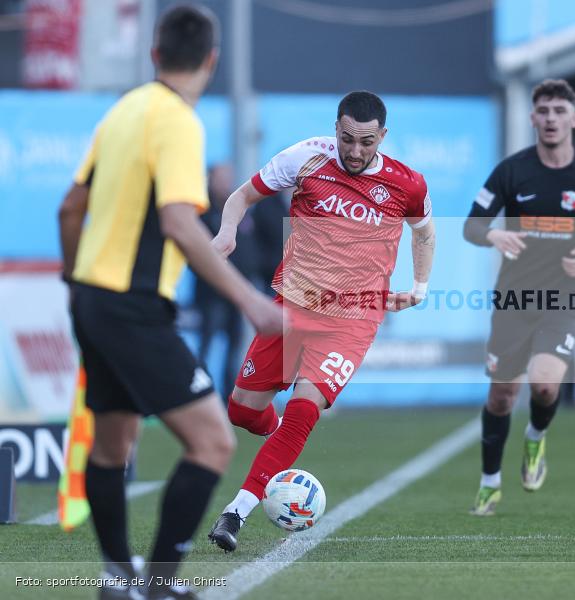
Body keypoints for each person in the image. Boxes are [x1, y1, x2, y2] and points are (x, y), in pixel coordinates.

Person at [56, 5, 282, 599]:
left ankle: (118, 579)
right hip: (132, 305)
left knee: (113, 444)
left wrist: (74, 282)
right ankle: (158, 586)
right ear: (211, 59)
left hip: (92, 300)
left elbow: (70, 208)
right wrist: (251, 301)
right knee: (213, 442)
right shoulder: (179, 121)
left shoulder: (124, 111)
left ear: (155, 54)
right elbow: (180, 222)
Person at [207, 91, 435, 552]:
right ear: (336, 129)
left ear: (382, 136)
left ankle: (236, 512)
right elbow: (242, 195)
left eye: (366, 142)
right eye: (347, 139)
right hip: (294, 305)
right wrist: (227, 231)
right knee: (242, 411)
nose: (355, 150)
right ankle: (281, 440)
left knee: (304, 410)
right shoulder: (306, 158)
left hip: (353, 318)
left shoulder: (406, 184)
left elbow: (425, 231)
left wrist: (420, 286)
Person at [463, 79, 575, 516]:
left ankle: (535, 439)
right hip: (514, 299)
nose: (551, 119)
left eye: (560, 111)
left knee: (544, 384)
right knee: (502, 396)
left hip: (565, 297)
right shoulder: (511, 171)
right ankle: (490, 482)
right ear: (533, 118)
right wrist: (494, 234)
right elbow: (472, 225)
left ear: (574, 119)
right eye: (544, 111)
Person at [195, 163, 255, 394]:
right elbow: (196, 252)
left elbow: (250, 247)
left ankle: (228, 396)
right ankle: (200, 393)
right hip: (212, 293)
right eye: (221, 177)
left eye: (228, 177)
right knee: (207, 345)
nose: (226, 182)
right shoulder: (202, 212)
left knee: (234, 347)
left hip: (236, 292)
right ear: (210, 179)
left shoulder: (240, 209)